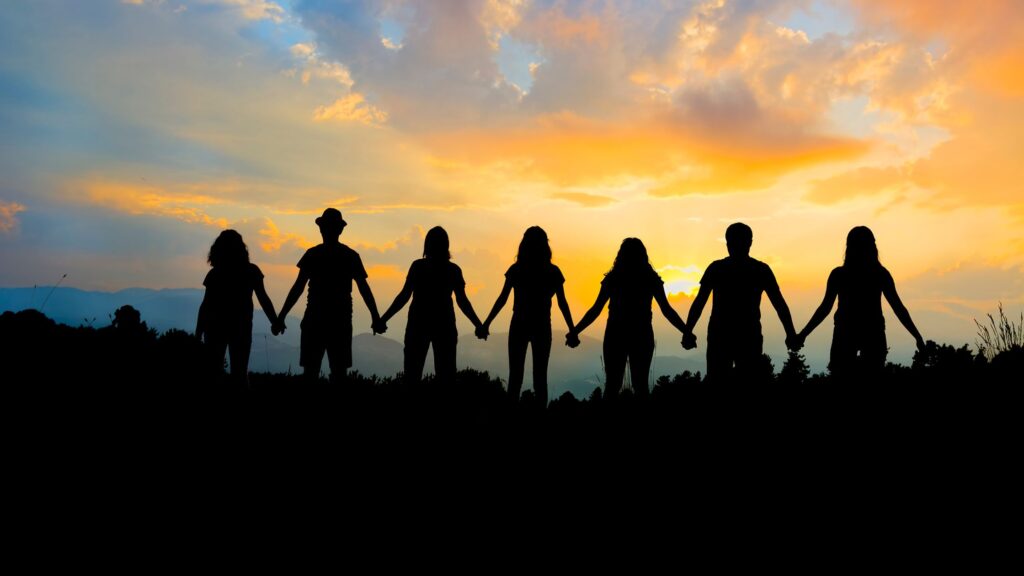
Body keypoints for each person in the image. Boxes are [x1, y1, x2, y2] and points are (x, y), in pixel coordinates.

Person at [793, 226, 926, 378]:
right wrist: (917, 336)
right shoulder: (880, 274)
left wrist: (802, 335)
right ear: (873, 247)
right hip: (871, 334)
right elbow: (898, 308)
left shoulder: (840, 275)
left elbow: (825, 308)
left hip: (847, 334)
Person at [275, 208, 383, 384]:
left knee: (311, 372)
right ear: (340, 230)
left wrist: (281, 317)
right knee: (339, 372)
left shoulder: (312, 254)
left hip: (314, 320)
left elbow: (298, 288)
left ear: (321, 229)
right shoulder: (351, 256)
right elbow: (364, 289)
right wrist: (376, 317)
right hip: (340, 321)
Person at [572, 238, 689, 398]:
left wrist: (575, 331)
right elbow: (667, 310)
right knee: (641, 386)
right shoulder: (650, 278)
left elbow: (595, 310)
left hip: (615, 334)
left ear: (621, 255)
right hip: (642, 335)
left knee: (612, 386)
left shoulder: (613, 278)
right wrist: (686, 331)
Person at [682, 223, 798, 383]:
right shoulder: (760, 270)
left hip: (721, 336)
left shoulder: (717, 268)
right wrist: (790, 334)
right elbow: (780, 305)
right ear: (750, 242)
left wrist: (688, 332)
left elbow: (699, 303)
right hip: (748, 336)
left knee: (719, 383)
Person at [479, 226, 576, 407]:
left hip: (519, 326)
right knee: (540, 379)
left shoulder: (517, 269)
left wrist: (486, 324)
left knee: (515, 378)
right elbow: (563, 304)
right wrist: (572, 330)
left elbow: (502, 299)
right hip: (542, 327)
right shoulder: (553, 272)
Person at [376, 226, 483, 385]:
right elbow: (462, 301)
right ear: (446, 246)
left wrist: (383, 319)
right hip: (444, 325)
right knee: (446, 376)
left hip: (417, 325)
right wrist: (478, 324)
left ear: (427, 245)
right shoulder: (453, 270)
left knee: (412, 375)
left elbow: (404, 296)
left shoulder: (418, 267)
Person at [195, 230, 279, 387]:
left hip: (214, 328)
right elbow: (264, 299)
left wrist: (198, 333)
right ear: (242, 248)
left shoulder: (215, 273)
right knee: (240, 373)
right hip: (241, 328)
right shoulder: (251, 271)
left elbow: (206, 306)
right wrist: (275, 321)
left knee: (213, 372)